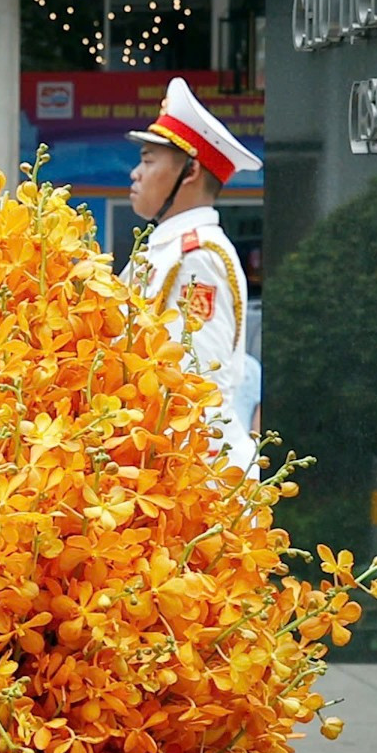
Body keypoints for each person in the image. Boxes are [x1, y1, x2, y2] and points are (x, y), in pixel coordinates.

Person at [122, 76, 262, 475]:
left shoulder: (197, 257)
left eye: (149, 161)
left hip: (194, 477)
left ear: (190, 171)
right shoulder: (166, 250)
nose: (136, 173)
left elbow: (202, 383)